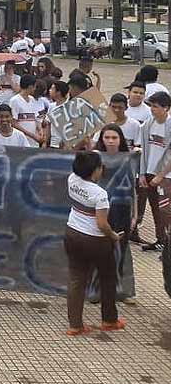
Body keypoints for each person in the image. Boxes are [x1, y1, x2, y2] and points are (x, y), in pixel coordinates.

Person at [63, 150, 124, 336]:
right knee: (107, 277)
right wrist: (113, 236)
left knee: (76, 280)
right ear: (95, 171)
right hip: (95, 240)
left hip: (72, 234)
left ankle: (75, 325)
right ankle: (109, 320)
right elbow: (101, 224)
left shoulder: (72, 179)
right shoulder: (100, 194)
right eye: (100, 167)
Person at [92, 125, 136, 304]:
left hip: (122, 210)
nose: (110, 141)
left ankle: (120, 290)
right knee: (99, 249)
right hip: (101, 209)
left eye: (114, 137)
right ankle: (95, 289)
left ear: (121, 140)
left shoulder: (130, 159)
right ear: (102, 139)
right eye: (107, 137)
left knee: (121, 250)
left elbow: (133, 188)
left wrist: (135, 214)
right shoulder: (95, 157)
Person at [138, 91, 171, 252]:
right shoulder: (148, 124)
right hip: (150, 172)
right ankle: (160, 240)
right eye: (151, 106)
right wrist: (143, 173)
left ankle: (167, 243)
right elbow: (144, 149)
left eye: (156, 107)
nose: (152, 109)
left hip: (166, 176)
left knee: (165, 210)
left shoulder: (169, 125)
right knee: (155, 209)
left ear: (166, 108)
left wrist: (161, 175)